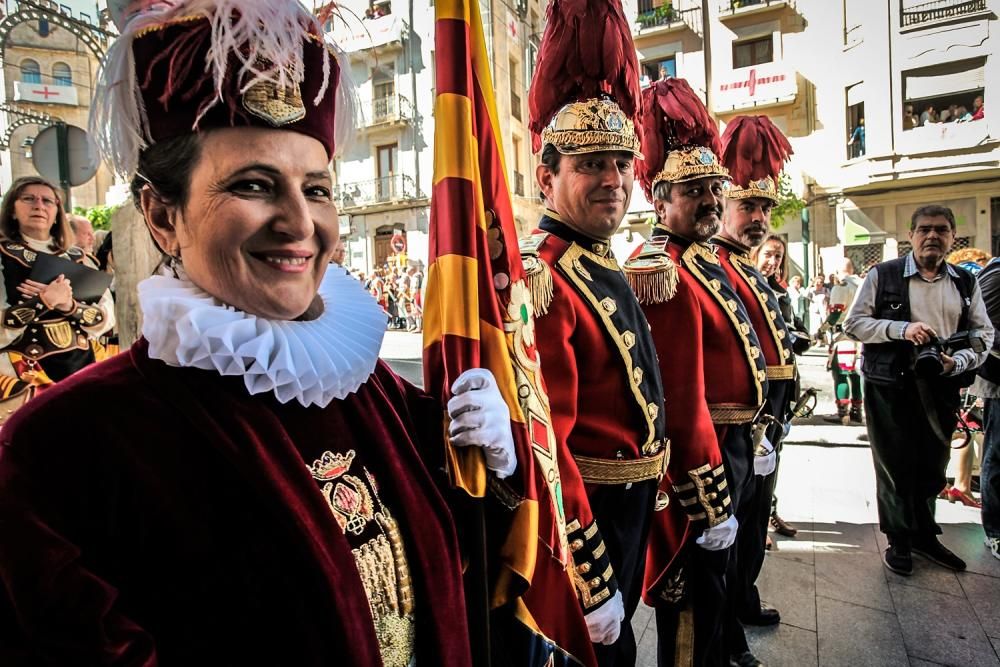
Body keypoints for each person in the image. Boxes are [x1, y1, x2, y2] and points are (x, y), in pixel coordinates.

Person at [0, 1, 520, 662]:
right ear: (162, 215)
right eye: (253, 184)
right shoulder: (55, 448)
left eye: (318, 187)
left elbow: (462, 567)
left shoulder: (372, 387)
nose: (300, 223)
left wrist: (497, 461)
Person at [524, 2, 667, 660]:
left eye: (621, 164)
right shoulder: (546, 276)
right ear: (547, 176)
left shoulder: (599, 258)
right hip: (594, 518)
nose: (613, 180)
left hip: (633, 501)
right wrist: (589, 576)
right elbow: (548, 445)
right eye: (590, 165)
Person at [625, 79, 767, 667]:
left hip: (733, 446)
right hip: (697, 468)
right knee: (691, 617)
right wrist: (707, 502)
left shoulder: (702, 260)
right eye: (694, 191)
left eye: (715, 188)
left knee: (717, 602)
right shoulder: (662, 270)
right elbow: (678, 401)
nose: (711, 200)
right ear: (661, 201)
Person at [844, 205, 994, 576]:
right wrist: (902, 330)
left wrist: (956, 362)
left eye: (941, 230)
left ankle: (924, 534)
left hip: (939, 384)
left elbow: (983, 334)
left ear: (951, 237)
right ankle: (899, 538)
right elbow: (854, 323)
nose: (932, 236)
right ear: (910, 236)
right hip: (888, 385)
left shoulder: (964, 282)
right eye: (924, 229)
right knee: (894, 464)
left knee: (932, 462)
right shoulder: (883, 274)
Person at [716, 115, 808, 667]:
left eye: (765, 210)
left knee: (753, 528)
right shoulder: (718, 268)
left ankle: (744, 599)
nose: (757, 219)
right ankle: (727, 632)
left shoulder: (750, 270)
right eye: (747, 207)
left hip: (769, 422)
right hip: (739, 428)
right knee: (734, 533)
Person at [0, 176, 115, 393]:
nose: (39, 205)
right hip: (22, 373)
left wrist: (69, 305)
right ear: (12, 210)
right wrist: (43, 301)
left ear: (56, 213)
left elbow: (106, 317)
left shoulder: (79, 258)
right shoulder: (3, 256)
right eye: (29, 199)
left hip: (82, 366)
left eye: (47, 201)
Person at [941, 248, 992, 507]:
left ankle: (951, 483)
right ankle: (960, 485)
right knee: (963, 428)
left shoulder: (963, 282)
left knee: (960, 428)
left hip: (962, 367)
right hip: (962, 371)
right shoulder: (971, 280)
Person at [974, 253, 1000, 560]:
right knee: (997, 453)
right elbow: (984, 330)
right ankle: (995, 530)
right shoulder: (995, 274)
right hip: (997, 382)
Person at [827, 258, 864, 423]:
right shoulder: (863, 284)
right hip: (862, 336)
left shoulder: (841, 287)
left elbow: (835, 314)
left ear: (836, 270)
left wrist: (820, 330)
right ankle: (857, 410)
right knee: (855, 374)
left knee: (840, 372)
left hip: (843, 336)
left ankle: (843, 412)